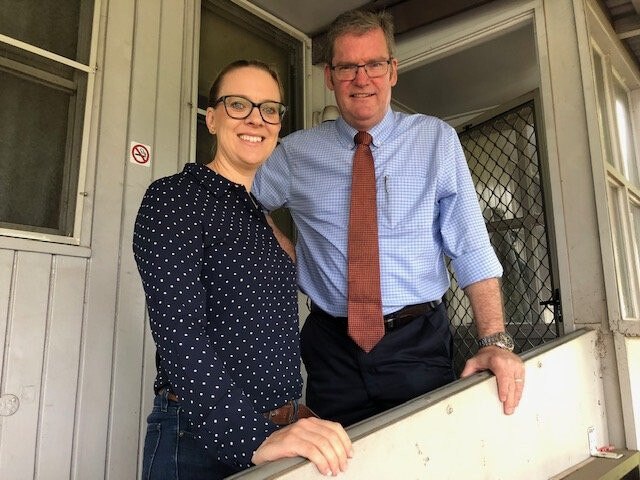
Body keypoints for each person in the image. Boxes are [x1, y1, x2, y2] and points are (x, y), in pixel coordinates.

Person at [252, 10, 525, 427]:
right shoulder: (294, 154)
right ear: (330, 76)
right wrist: (291, 258)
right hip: (331, 350)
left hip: (418, 345)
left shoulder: (436, 140)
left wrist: (495, 340)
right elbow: (241, 202)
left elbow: (470, 244)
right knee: (336, 464)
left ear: (392, 70)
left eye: (374, 64)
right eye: (347, 67)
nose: (362, 79)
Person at [133, 60, 352, 480]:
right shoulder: (175, 198)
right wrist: (253, 437)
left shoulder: (257, 215)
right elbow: (180, 334)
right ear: (211, 118)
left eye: (270, 109)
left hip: (281, 430)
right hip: (202, 440)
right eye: (238, 104)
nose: (256, 118)